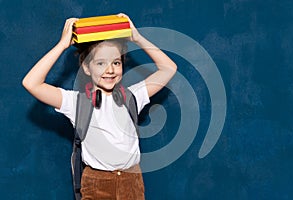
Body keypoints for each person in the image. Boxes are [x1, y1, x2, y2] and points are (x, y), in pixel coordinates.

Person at [22, 13, 177, 200]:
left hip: (131, 182)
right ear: (86, 68)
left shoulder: (133, 96)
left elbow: (169, 68)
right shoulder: (76, 102)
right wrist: (62, 44)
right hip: (96, 184)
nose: (110, 70)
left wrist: (137, 37)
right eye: (101, 63)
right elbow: (31, 83)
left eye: (116, 62)